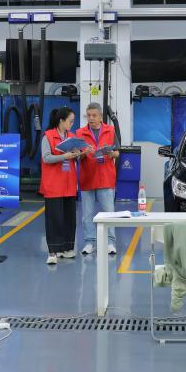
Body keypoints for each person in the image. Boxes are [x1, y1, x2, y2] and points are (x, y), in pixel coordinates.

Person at [40, 106, 91, 266]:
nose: (72, 124)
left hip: (69, 183)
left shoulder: (72, 137)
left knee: (69, 218)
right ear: (61, 120)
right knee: (54, 219)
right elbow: (46, 158)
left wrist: (80, 154)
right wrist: (64, 156)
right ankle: (53, 252)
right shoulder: (48, 136)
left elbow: (74, 158)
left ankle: (67, 248)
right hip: (53, 184)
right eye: (70, 121)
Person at [77, 102, 120, 256]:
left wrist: (111, 154)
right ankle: (90, 242)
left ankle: (110, 242)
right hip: (87, 178)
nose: (91, 118)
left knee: (109, 213)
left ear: (101, 116)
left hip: (105, 178)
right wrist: (83, 153)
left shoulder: (110, 130)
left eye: (94, 115)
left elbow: (117, 152)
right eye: (88, 115)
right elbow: (77, 156)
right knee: (87, 215)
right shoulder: (80, 133)